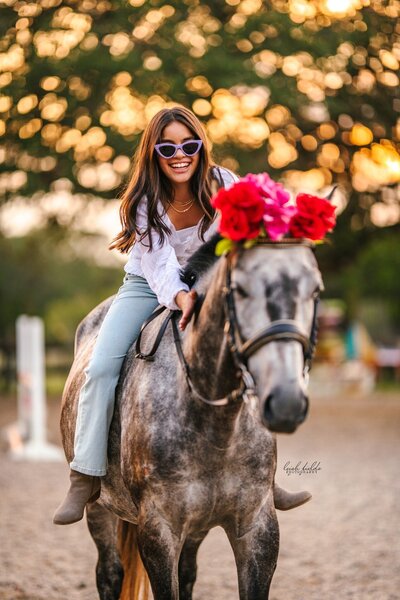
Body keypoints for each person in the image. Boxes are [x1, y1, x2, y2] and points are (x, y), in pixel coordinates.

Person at [53, 106, 310, 525]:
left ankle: (264, 476)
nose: (179, 154)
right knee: (100, 366)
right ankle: (85, 474)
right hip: (147, 284)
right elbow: (158, 265)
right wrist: (180, 296)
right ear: (153, 151)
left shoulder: (224, 183)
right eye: (168, 146)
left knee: (249, 349)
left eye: (188, 145)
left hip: (211, 278)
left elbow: (259, 220)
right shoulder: (143, 200)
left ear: (200, 147)